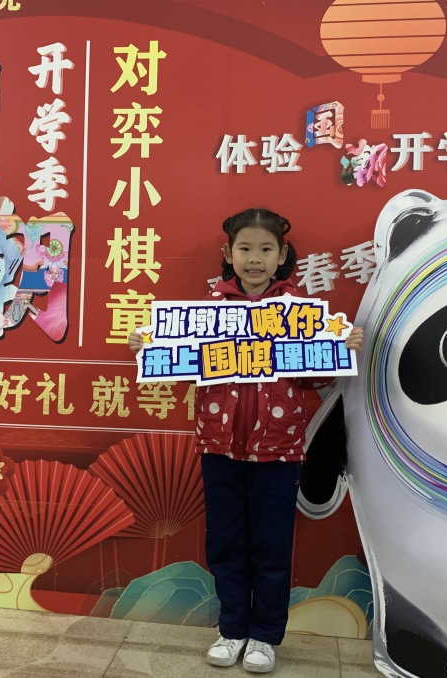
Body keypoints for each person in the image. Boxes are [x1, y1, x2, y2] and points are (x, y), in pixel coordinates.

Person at [129, 208, 364, 674]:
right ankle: (232, 629)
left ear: (282, 255)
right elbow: (187, 368)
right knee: (225, 544)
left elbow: (313, 379)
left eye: (265, 249)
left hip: (279, 451)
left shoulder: (298, 312)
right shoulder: (207, 309)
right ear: (228, 253)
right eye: (245, 248)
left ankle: (265, 636)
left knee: (272, 548)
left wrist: (338, 350)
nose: (254, 258)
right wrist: (153, 348)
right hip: (218, 448)